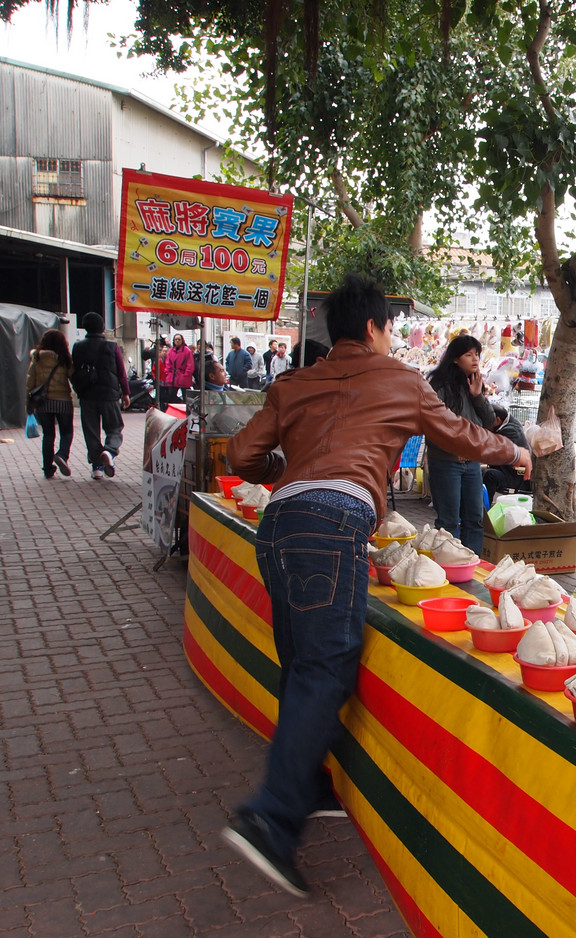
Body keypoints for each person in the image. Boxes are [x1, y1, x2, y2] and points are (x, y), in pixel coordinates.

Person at [222, 273, 531, 896]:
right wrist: (515, 452)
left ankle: (309, 785)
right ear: (372, 327)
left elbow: (239, 457)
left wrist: (285, 466)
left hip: (278, 524)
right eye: (390, 328)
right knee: (325, 666)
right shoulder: (401, 380)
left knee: (300, 660)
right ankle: (271, 820)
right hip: (333, 522)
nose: (392, 338)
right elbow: (460, 435)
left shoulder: (293, 382)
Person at [426, 334, 495, 554]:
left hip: (472, 463)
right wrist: (455, 449)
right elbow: (432, 426)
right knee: (448, 521)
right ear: (455, 358)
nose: (475, 359)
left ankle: (471, 563)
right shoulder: (439, 386)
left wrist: (477, 396)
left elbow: (490, 420)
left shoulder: (474, 384)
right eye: (468, 354)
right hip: (446, 462)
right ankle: (448, 564)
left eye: (477, 354)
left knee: (474, 518)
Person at [70, 312, 129, 479]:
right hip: (109, 394)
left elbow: (73, 371)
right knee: (114, 428)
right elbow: (121, 372)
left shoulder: (78, 347)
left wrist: (78, 389)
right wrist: (125, 393)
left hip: (87, 395)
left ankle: (97, 468)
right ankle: (109, 452)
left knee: (91, 432)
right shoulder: (112, 346)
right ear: (102, 327)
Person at [25, 325, 75, 479]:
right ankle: (62, 455)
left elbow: (30, 382)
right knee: (67, 432)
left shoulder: (37, 358)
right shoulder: (64, 358)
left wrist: (28, 404)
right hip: (63, 401)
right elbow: (73, 377)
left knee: (48, 435)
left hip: (43, 402)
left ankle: (47, 468)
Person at [482, 402, 531, 498]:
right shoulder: (508, 423)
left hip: (514, 476)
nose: (484, 425)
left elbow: (491, 452)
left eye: (487, 422)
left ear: (497, 420)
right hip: (506, 470)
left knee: (489, 475)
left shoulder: (510, 431)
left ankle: (484, 506)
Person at [162, 333, 195, 406]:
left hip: (183, 377)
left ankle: (186, 410)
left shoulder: (187, 351)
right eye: (176, 339)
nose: (177, 341)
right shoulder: (171, 350)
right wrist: (168, 372)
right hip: (173, 377)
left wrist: (185, 374)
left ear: (182, 340)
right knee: (171, 397)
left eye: (179, 339)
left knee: (186, 398)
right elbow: (168, 363)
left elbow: (190, 364)